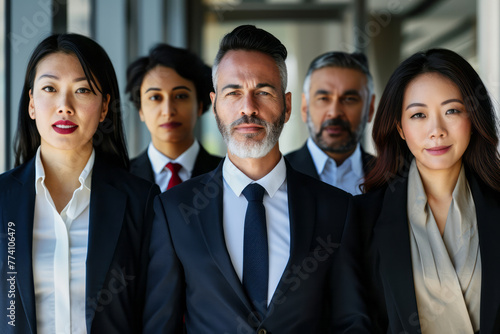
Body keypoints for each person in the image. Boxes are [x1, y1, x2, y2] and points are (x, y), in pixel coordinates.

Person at [144, 25, 361, 333]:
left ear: (286, 107)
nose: (248, 108)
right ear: (215, 104)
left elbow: (351, 321)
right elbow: (160, 325)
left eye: (263, 92)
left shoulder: (336, 208)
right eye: (233, 93)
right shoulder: (173, 209)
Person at [0, 33, 160, 333]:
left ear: (103, 108)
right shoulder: (2, 199)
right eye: (50, 88)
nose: (65, 106)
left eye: (83, 90)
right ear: (32, 103)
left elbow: (155, 315)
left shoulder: (142, 202)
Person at [346, 48, 500, 333]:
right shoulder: (363, 216)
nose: (436, 130)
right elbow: (356, 321)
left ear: (474, 119)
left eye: (452, 110)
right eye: (418, 115)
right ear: (400, 128)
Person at [126, 44, 221, 192]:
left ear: (200, 105)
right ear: (140, 110)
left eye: (181, 96)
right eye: (155, 97)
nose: (168, 111)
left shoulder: (227, 175)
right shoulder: (120, 178)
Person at [286, 51, 375, 195]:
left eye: (349, 99)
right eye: (323, 98)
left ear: (370, 108)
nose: (334, 112)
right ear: (304, 107)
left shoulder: (393, 179)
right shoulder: (277, 176)